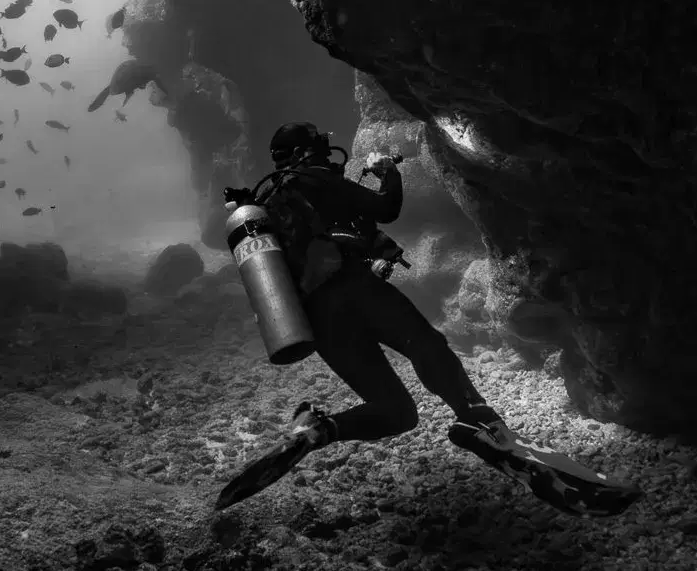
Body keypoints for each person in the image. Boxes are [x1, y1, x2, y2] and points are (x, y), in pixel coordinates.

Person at [216, 122, 642, 515]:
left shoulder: (264, 208)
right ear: (311, 151)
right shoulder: (316, 179)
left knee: (396, 411)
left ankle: (315, 432)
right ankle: (482, 423)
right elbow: (386, 208)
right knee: (427, 345)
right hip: (355, 292)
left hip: (315, 319)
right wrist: (389, 172)